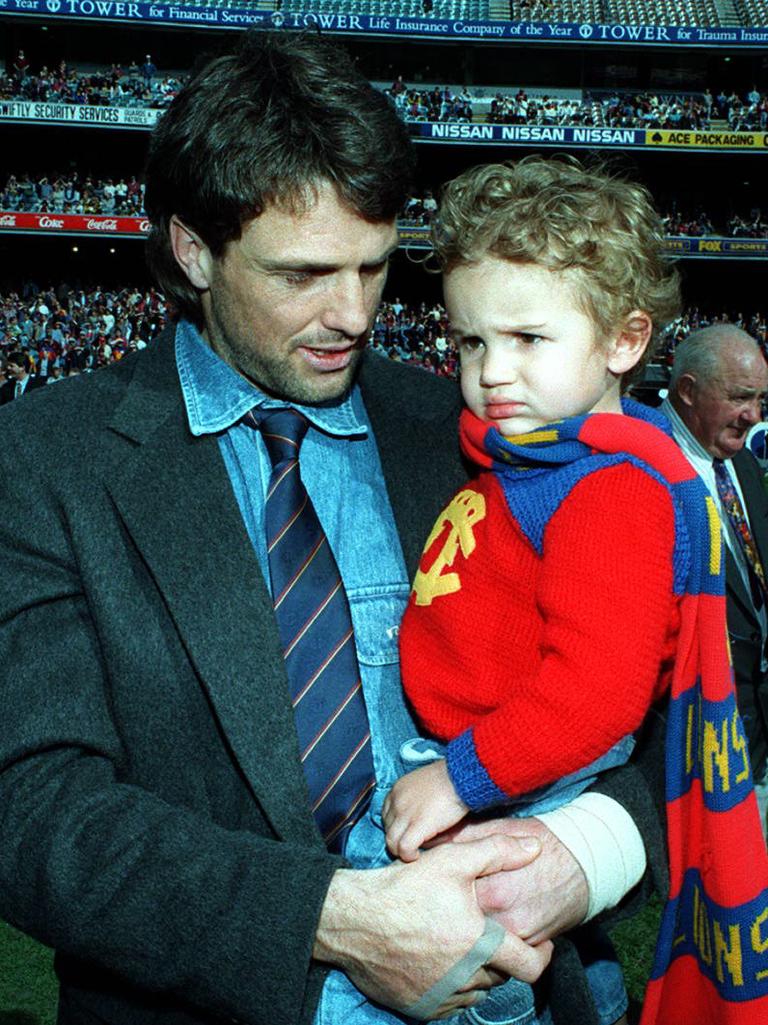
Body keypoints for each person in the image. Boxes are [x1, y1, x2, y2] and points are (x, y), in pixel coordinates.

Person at [0, 33, 665, 1025]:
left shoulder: (478, 426)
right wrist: (337, 917)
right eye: (305, 272)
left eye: (374, 267)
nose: (352, 315)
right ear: (194, 249)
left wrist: (590, 851)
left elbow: (656, 686)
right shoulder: (47, 456)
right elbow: (35, 807)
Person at [384, 159, 768, 1025]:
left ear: (625, 342)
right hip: (486, 767)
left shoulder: (609, 489)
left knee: (517, 990)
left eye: (527, 338)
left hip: (520, 785)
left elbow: (595, 695)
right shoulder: (535, 450)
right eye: (472, 342)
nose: (492, 372)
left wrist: (458, 778)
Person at [661, 325, 768, 822]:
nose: (755, 416)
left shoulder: (740, 460)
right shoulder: (642, 468)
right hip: (702, 732)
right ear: (687, 390)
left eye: (761, 399)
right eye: (741, 397)